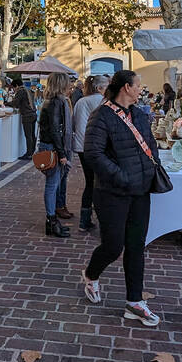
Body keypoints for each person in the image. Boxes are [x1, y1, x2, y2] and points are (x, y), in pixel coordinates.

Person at [81, 69, 162, 327]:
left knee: (137, 246)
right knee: (113, 246)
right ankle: (91, 274)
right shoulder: (101, 116)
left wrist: (151, 169)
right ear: (126, 87)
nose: (141, 89)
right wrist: (122, 177)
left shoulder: (140, 114)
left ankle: (134, 302)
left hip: (140, 192)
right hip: (112, 193)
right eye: (138, 85)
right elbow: (93, 154)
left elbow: (151, 145)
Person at [38, 72, 74, 238]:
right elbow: (54, 129)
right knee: (52, 184)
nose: (70, 86)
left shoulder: (53, 101)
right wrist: (62, 153)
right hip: (53, 147)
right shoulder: (56, 103)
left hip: (51, 145)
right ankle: (51, 220)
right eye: (67, 83)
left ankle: (51, 221)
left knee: (54, 183)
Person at [72, 75, 108, 232]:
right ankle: (99, 217)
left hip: (81, 147)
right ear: (99, 88)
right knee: (98, 183)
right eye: (107, 86)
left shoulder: (81, 101)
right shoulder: (100, 101)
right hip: (94, 148)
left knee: (90, 182)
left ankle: (85, 219)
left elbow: (74, 124)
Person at [7, 79, 37, 159]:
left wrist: (6, 103)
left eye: (14, 88)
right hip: (33, 114)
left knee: (28, 135)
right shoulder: (28, 90)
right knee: (32, 135)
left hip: (27, 115)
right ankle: (32, 151)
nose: (14, 90)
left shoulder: (20, 91)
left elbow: (15, 103)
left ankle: (29, 154)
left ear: (16, 85)